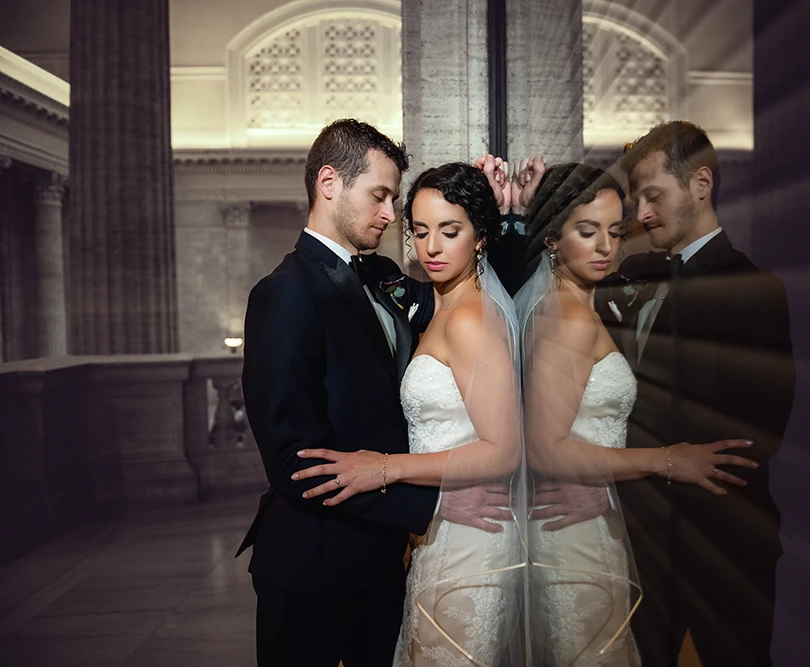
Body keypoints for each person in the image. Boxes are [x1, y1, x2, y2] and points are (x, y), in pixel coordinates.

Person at [516, 162, 757, 666]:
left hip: (589, 515)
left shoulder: (575, 306)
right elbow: (545, 449)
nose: (606, 246)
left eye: (615, 231)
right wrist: (667, 460)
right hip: (575, 534)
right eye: (587, 232)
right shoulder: (571, 320)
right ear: (552, 240)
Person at [293, 161, 526, 667]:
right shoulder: (437, 304)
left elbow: (504, 451)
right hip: (437, 528)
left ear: (481, 238)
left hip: (472, 535)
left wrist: (385, 468)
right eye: (420, 231)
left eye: (450, 231)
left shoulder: (469, 320)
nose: (432, 248)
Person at [236, 119, 441, 667]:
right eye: (379, 196)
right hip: (312, 569)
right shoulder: (282, 295)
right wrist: (432, 502)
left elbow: (465, 298)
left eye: (394, 200)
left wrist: (504, 221)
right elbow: (296, 462)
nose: (390, 214)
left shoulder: (383, 274)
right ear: (329, 183)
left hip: (383, 564)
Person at [600, 121, 796, 667]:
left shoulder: (752, 288)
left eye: (654, 196)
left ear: (701, 184)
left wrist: (667, 469)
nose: (642, 214)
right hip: (640, 535)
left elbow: (757, 431)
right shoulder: (636, 275)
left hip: (724, 541)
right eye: (637, 200)